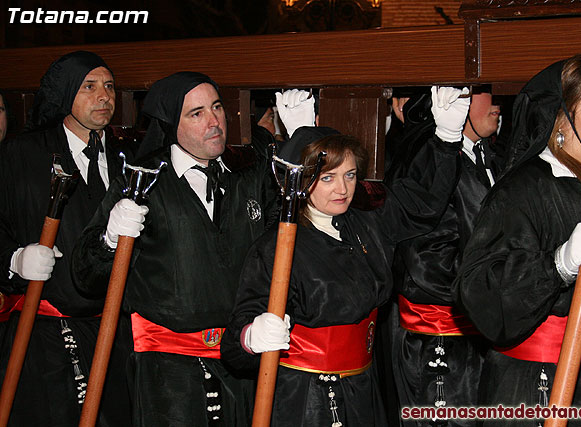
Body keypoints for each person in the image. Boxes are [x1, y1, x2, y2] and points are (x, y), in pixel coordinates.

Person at [220, 86, 470, 426]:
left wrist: (446, 138)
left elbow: (422, 201)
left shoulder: (366, 222)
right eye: (328, 178)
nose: (343, 189)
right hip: (305, 397)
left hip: (364, 385)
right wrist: (250, 336)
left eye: (350, 175)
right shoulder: (276, 247)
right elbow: (236, 339)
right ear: (303, 180)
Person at [71, 71, 278, 426]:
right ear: (171, 124)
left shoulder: (247, 174)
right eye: (196, 114)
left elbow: (293, 229)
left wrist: (298, 144)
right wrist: (109, 238)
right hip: (169, 376)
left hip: (244, 359)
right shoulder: (141, 180)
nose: (214, 121)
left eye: (216, 108)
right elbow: (86, 277)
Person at [454, 53, 581, 425]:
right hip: (538, 388)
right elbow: (482, 294)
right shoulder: (522, 191)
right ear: (561, 118)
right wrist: (560, 263)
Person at [0, 51, 134, 426]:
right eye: (89, 87)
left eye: (109, 86)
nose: (104, 96)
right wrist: (13, 259)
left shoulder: (131, 158)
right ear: (64, 94)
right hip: (45, 334)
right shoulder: (20, 155)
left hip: (117, 333)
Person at [386, 86, 501, 426]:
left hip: (483, 333)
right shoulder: (427, 162)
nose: (497, 104)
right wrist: (501, 285)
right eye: (487, 92)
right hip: (442, 341)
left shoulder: (490, 155)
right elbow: (426, 259)